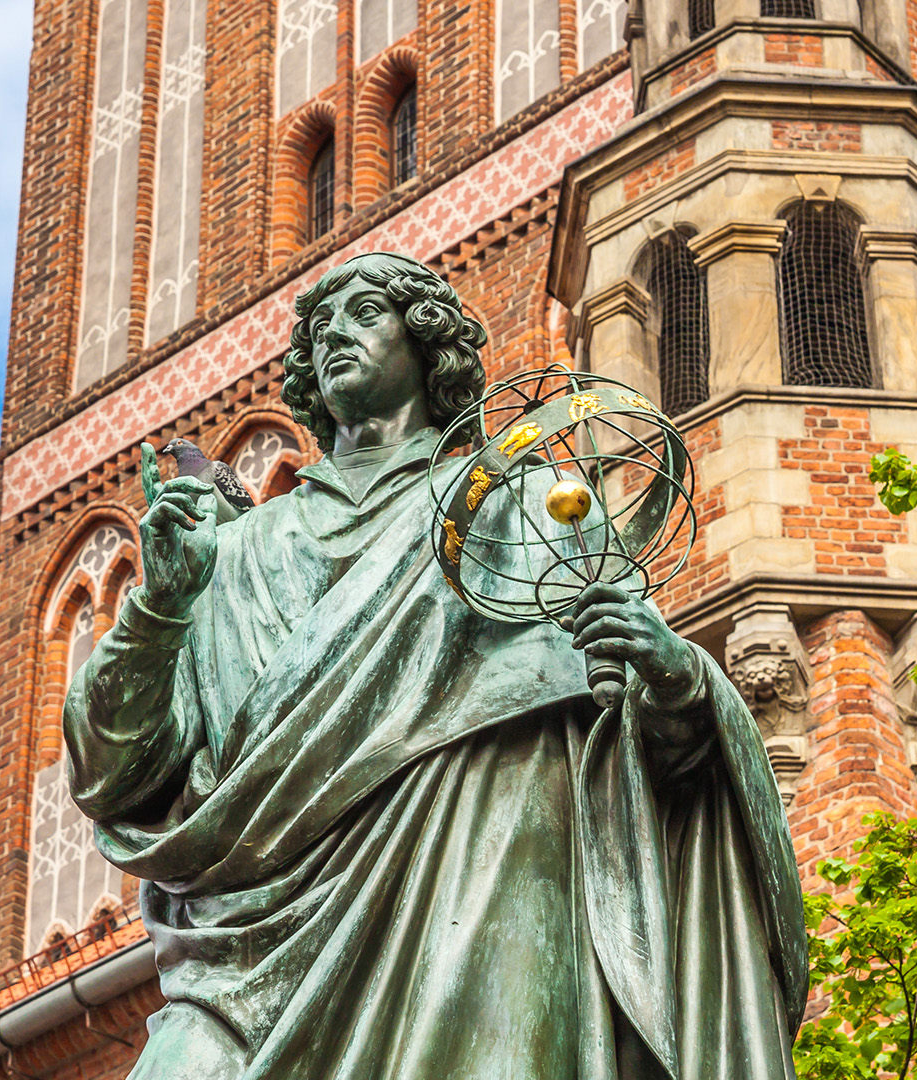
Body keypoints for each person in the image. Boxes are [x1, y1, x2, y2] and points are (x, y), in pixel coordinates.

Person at [65, 252, 807, 1079]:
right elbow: (112, 778)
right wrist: (160, 609)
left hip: (483, 894)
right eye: (320, 327)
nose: (334, 334)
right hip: (242, 954)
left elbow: (643, 748)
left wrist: (676, 679)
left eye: (364, 314)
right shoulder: (230, 552)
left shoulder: (524, 505)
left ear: (428, 345)